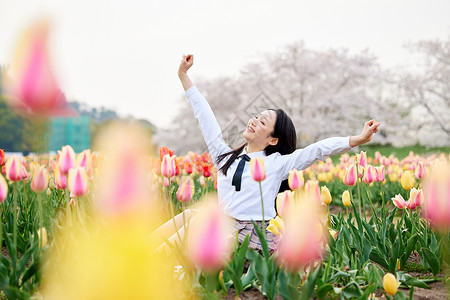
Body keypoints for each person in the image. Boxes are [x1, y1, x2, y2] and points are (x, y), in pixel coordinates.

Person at [152, 54, 380, 253]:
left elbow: (316, 150)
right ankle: (142, 252)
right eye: (256, 116)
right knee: (192, 214)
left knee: (197, 224)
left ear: (273, 139)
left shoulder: (277, 164)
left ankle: (155, 263)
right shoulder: (224, 156)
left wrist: (357, 139)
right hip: (224, 225)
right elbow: (205, 117)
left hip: (252, 234)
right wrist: (184, 76)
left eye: (262, 121)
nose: (253, 121)